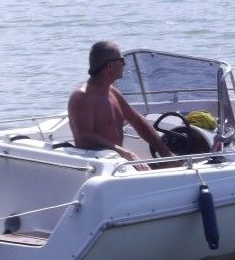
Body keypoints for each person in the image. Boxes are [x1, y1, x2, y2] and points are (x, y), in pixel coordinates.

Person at [68, 41, 173, 169]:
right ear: (110, 66)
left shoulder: (112, 92)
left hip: (118, 163)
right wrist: (126, 153)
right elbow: (84, 137)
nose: (124, 64)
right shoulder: (82, 97)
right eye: (121, 60)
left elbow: (137, 121)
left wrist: (165, 152)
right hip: (97, 167)